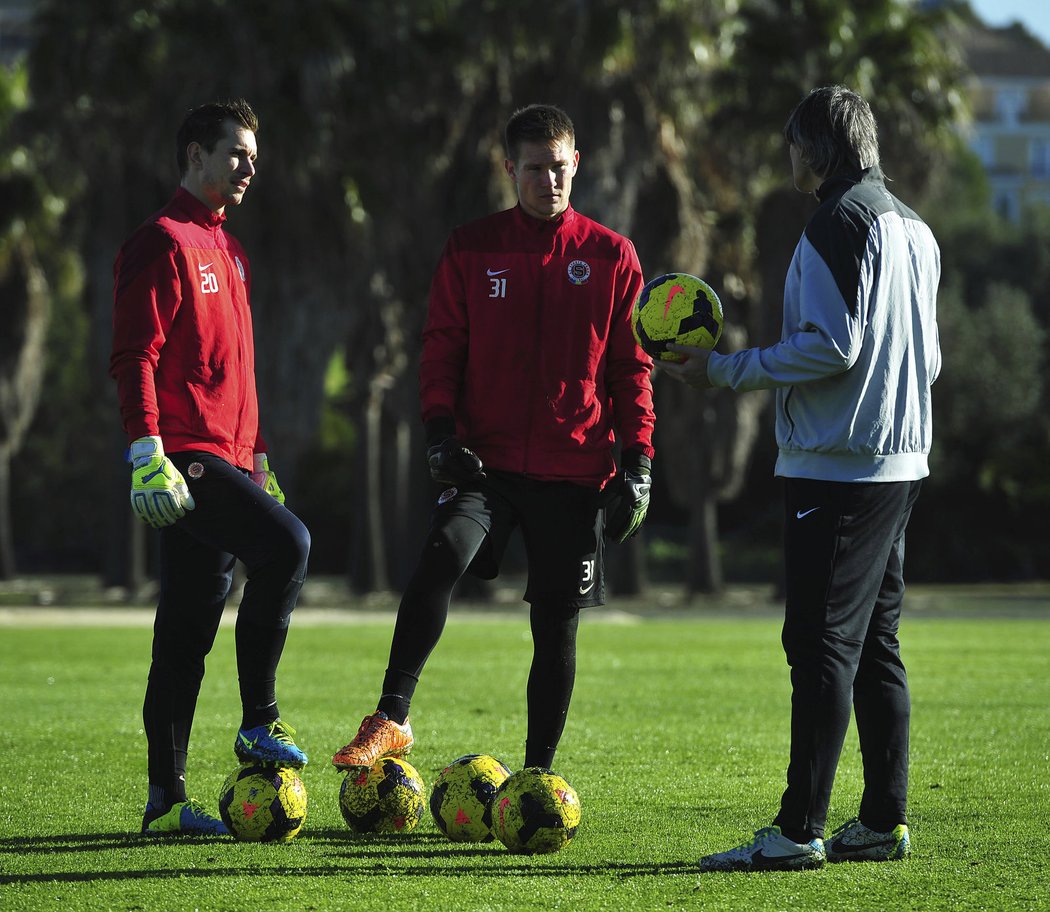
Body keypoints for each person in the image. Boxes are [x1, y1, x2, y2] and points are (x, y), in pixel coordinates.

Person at [331, 103, 656, 773]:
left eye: (559, 168)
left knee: (556, 625)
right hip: (487, 463)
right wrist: (440, 432)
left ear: (577, 164)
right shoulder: (472, 248)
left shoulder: (611, 256)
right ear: (510, 169)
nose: (549, 181)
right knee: (438, 560)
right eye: (534, 169)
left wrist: (640, 460)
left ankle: (538, 774)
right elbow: (442, 348)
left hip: (576, 470)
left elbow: (631, 368)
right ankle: (391, 718)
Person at [665, 85, 941, 871]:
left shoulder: (833, 223)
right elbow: (929, 360)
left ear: (818, 150)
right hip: (901, 462)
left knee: (820, 644)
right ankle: (882, 821)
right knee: (876, 643)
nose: (788, 158)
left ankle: (796, 831)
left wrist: (724, 372)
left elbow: (832, 347)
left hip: (838, 469)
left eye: (793, 143)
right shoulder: (915, 228)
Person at [111, 99, 311, 836]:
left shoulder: (230, 251)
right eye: (237, 154)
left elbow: (237, 372)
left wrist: (257, 459)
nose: (251, 167)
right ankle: (260, 718)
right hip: (183, 457)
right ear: (195, 154)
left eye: (255, 156)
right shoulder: (161, 241)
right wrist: (145, 451)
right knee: (289, 545)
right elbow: (135, 356)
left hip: (229, 457)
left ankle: (166, 803)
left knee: (186, 631)